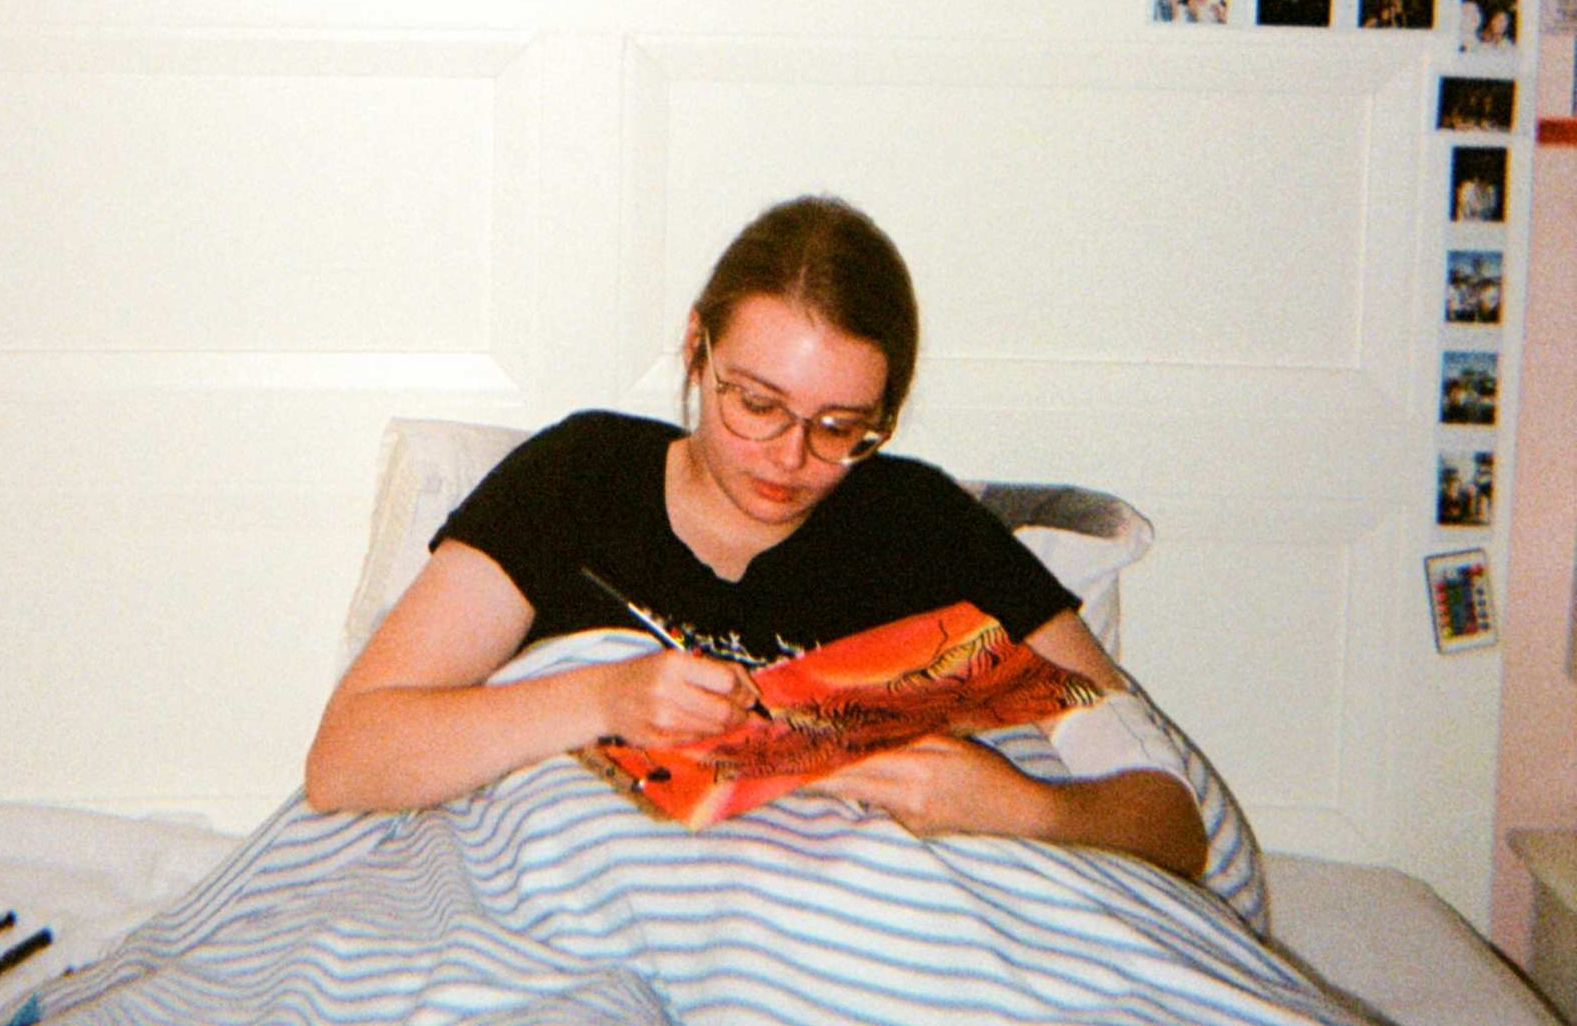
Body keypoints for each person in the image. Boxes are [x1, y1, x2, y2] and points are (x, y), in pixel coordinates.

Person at [305, 195, 1207, 879]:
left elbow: (1170, 820)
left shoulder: (925, 527)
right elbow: (348, 759)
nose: (790, 456)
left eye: (840, 426)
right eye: (757, 404)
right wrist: (603, 696)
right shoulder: (579, 477)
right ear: (696, 350)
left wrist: (1024, 808)